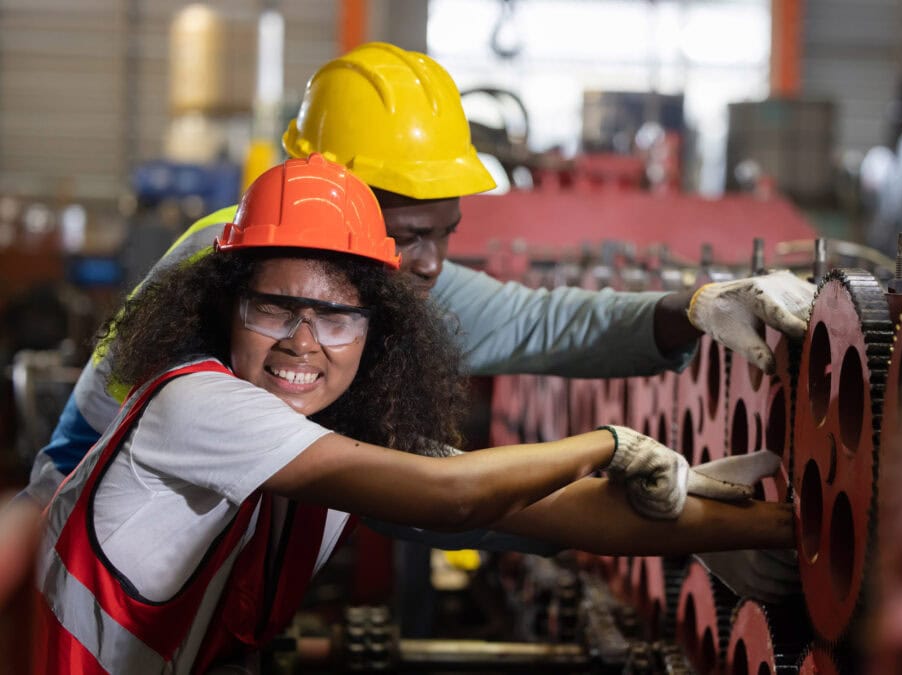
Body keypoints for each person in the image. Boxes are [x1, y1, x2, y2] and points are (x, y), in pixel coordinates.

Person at [24, 42, 812, 601]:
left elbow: (537, 324)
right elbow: (444, 496)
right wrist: (654, 489)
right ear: (329, 206)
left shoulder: (361, 285)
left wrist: (697, 308)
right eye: (407, 237)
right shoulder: (248, 294)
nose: (432, 263)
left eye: (445, 232)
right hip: (84, 569)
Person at [34, 154, 790, 674]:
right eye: (275, 307)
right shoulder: (195, 405)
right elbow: (452, 495)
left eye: (336, 316)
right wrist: (609, 443)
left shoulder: (326, 435)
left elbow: (550, 511)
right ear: (222, 306)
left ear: (378, 328)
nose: (303, 341)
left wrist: (770, 529)